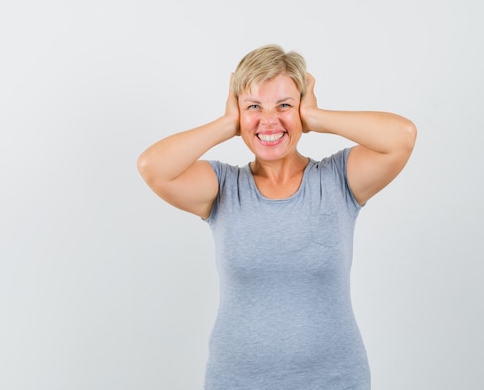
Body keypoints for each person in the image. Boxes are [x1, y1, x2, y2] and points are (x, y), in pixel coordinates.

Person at [137, 44, 417, 390]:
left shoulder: (339, 179)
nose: (269, 120)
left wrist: (315, 118)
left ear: (301, 106)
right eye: (254, 106)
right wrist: (228, 124)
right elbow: (153, 168)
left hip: (335, 381)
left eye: (284, 105)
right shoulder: (222, 186)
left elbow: (401, 137)